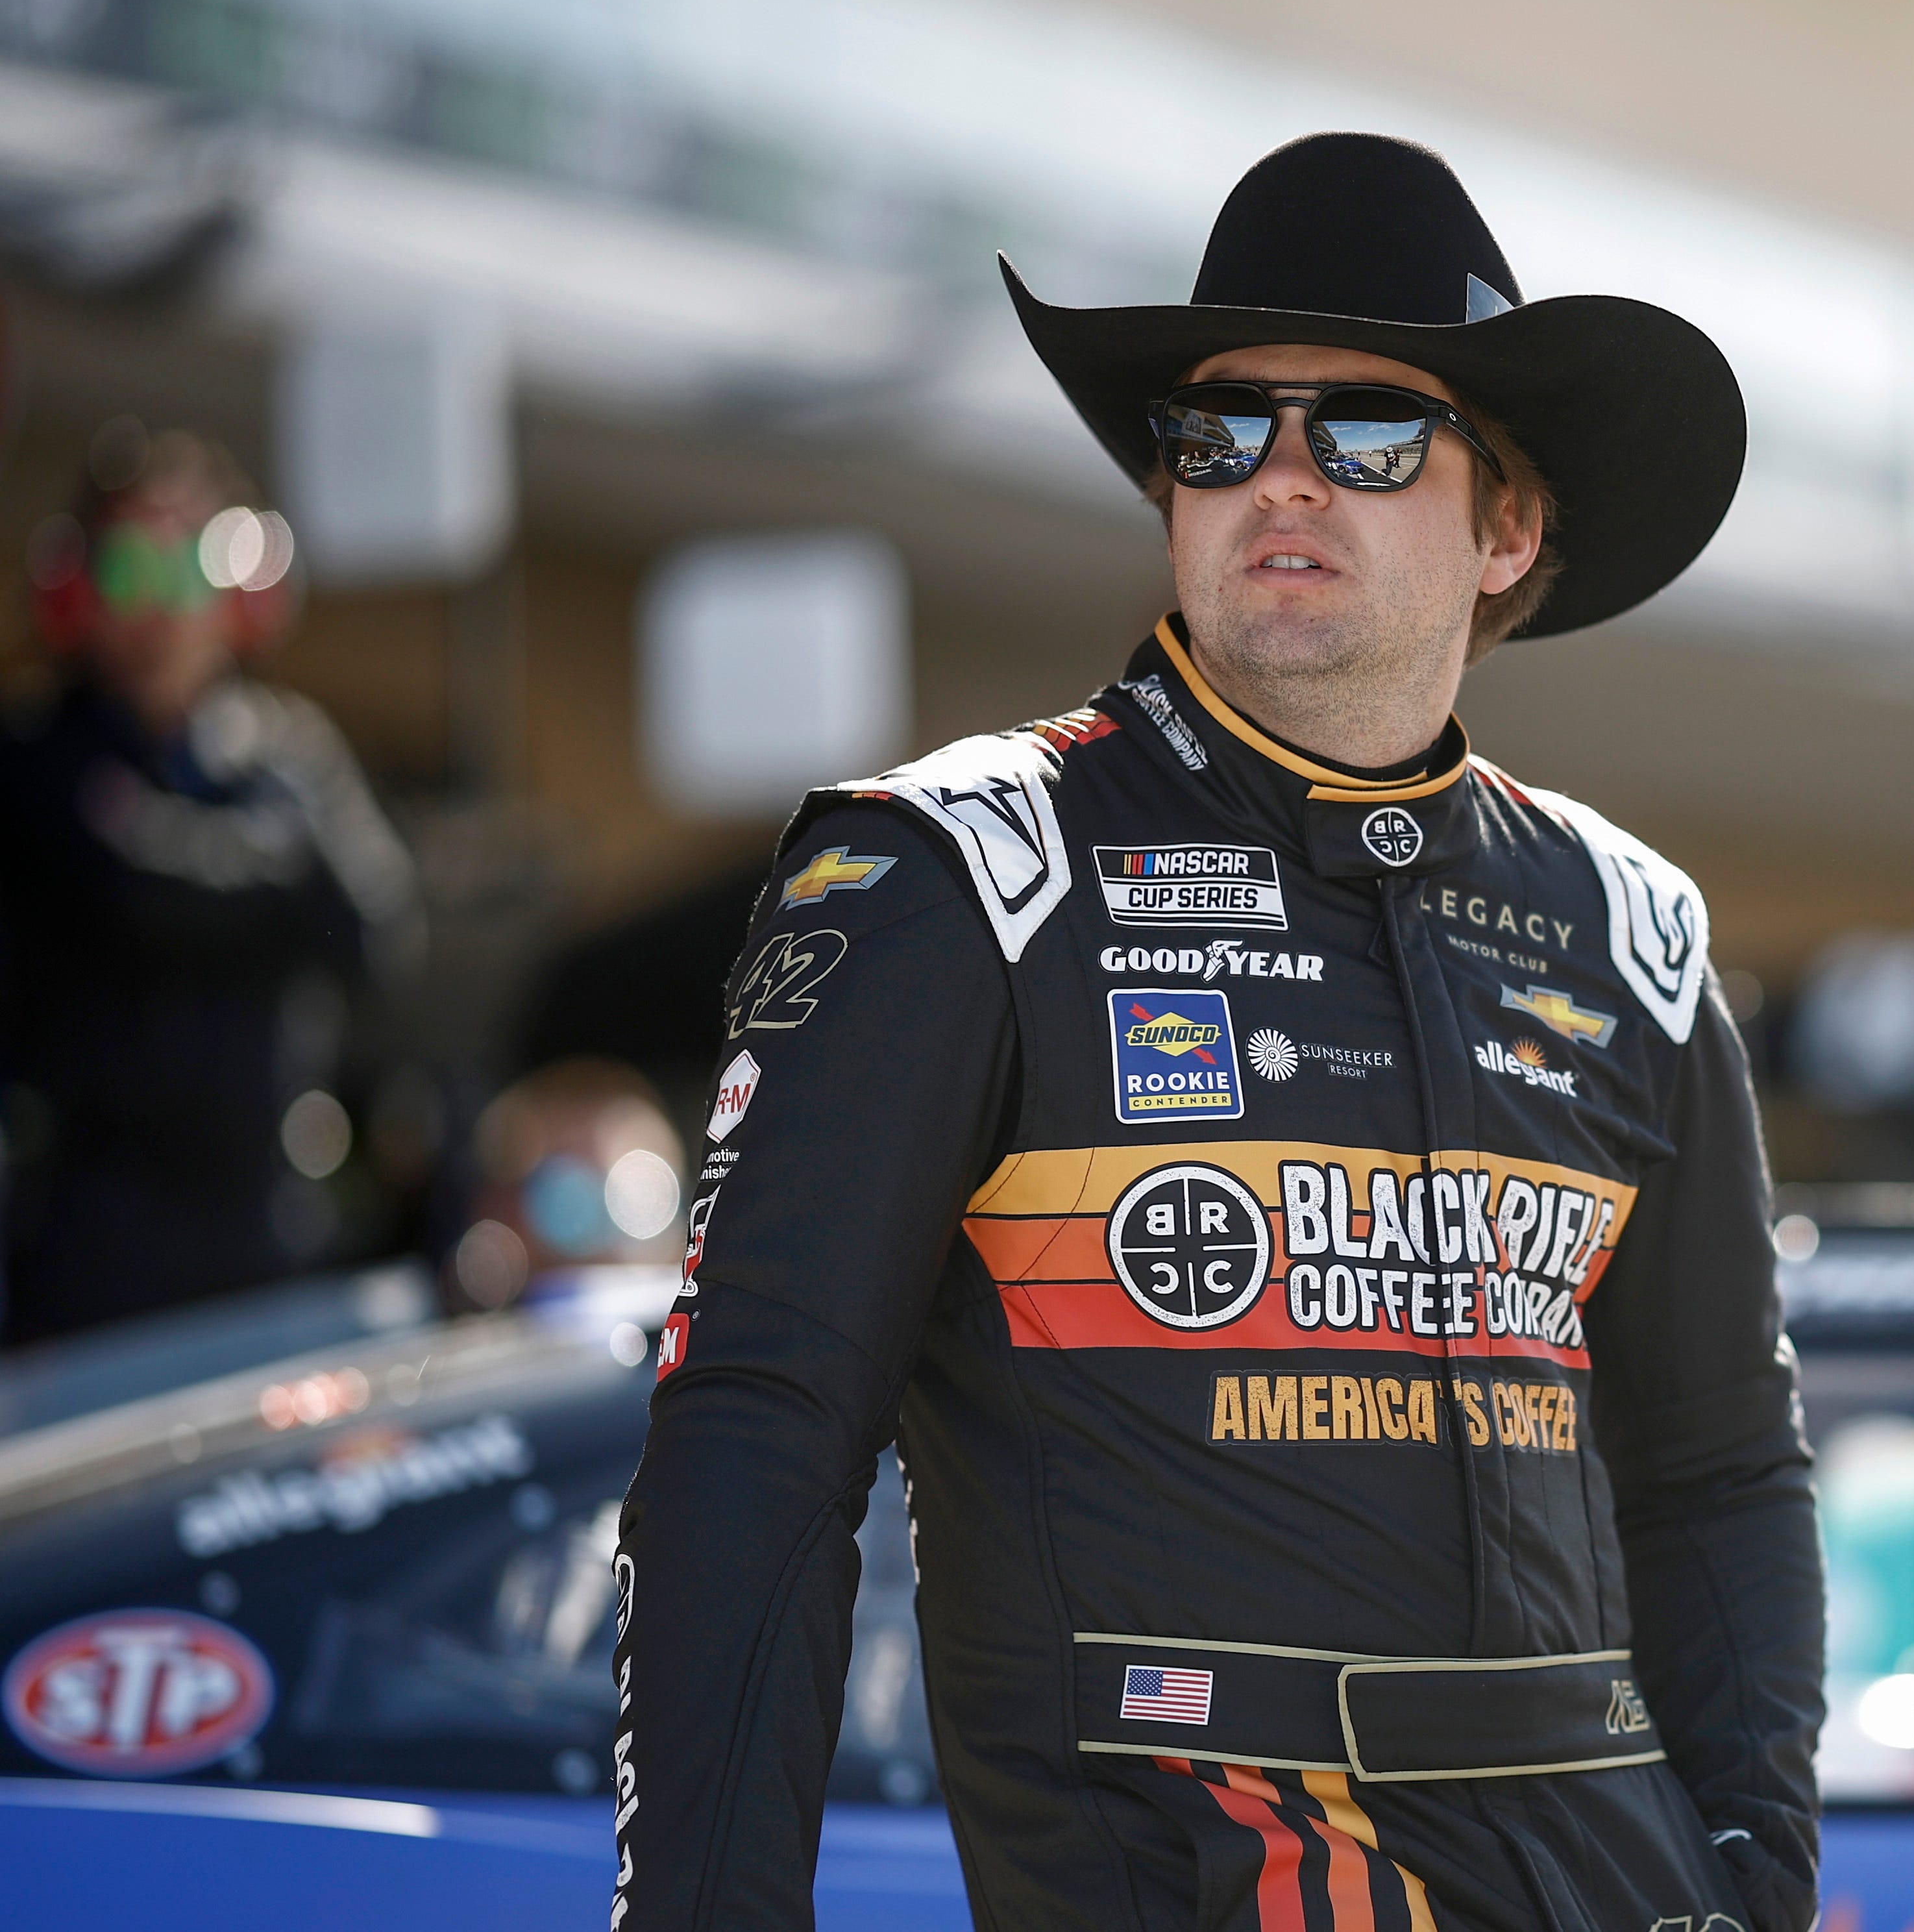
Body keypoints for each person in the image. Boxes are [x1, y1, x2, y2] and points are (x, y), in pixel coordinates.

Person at [612, 134, 1822, 1932]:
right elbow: (756, 1440)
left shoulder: (1629, 932)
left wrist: (1754, 1874)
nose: (1283, 479)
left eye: (1373, 436)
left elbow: (1722, 1467)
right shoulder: (962, 872)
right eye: (1219, 431)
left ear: (1509, 526)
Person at [1, 423, 419, 1343]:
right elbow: (132, 884)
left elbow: (378, 928)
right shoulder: (34, 757)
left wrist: (204, 856)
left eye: (186, 572)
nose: (159, 610)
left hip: (264, 1226)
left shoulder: (294, 751)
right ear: (76, 593)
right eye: (128, 575)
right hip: (83, 1240)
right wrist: (271, 867)